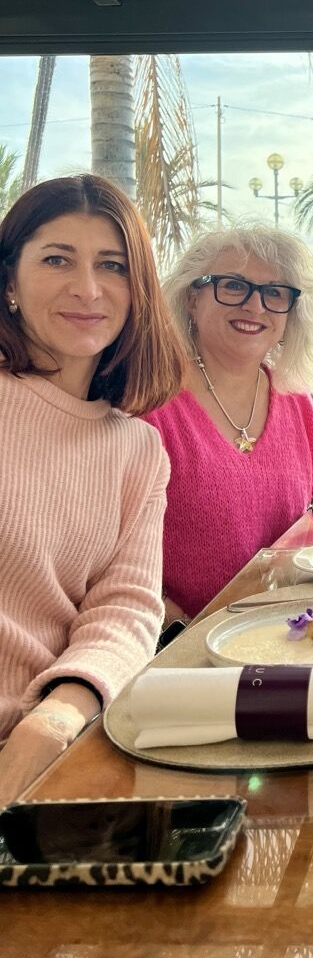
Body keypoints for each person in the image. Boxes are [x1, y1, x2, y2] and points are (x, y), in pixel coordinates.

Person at [0, 174, 183, 803]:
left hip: (56, 745)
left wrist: (55, 716)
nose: (87, 288)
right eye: (57, 259)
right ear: (9, 282)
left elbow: (125, 606)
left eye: (112, 265)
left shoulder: (137, 448)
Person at [143, 226, 313, 620]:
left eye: (275, 293)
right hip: (191, 645)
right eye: (233, 286)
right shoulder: (150, 407)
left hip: (297, 629)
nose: (255, 306)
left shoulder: (296, 399)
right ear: (192, 297)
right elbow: (115, 570)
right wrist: (188, 638)